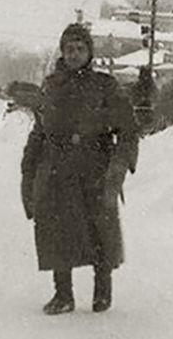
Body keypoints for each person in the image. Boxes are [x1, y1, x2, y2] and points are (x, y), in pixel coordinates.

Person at [21, 23, 139, 315]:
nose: (74, 54)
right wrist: (28, 166)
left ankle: (102, 292)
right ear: (62, 52)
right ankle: (63, 295)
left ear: (89, 52)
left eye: (80, 48)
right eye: (69, 49)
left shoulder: (104, 86)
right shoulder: (51, 85)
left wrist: (118, 167)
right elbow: (40, 129)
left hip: (94, 168)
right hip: (56, 169)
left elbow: (127, 129)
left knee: (99, 229)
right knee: (56, 229)